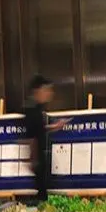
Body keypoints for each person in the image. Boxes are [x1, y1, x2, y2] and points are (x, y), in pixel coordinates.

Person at [24, 75, 69, 203]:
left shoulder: (38, 107)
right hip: (37, 155)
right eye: (47, 90)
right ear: (38, 90)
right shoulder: (31, 108)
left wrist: (54, 127)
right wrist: (33, 159)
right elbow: (31, 136)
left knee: (43, 189)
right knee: (41, 192)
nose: (49, 93)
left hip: (40, 154)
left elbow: (39, 129)